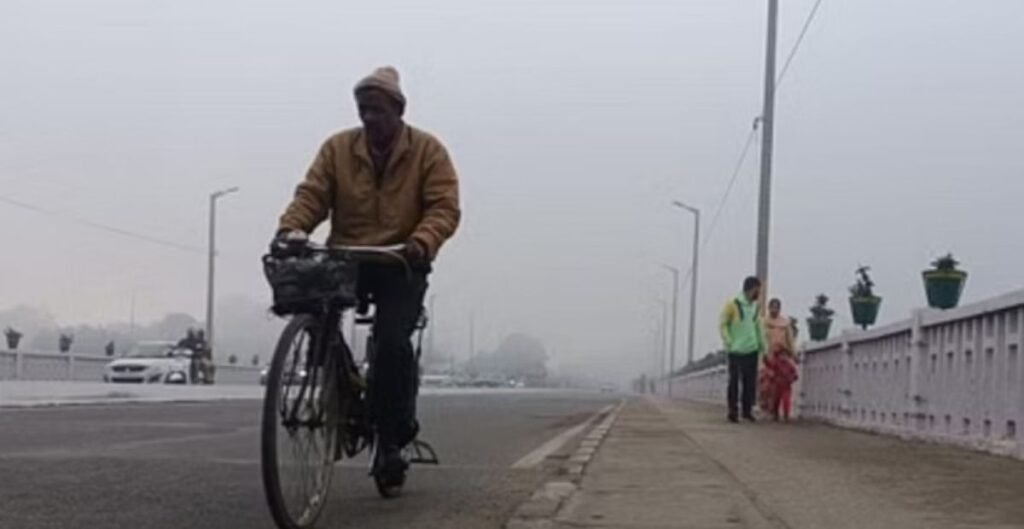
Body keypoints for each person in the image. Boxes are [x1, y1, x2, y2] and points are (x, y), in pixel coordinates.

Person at [276, 66, 460, 490]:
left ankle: (392, 437)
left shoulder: (428, 151)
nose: (369, 119)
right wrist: (291, 229)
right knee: (312, 305)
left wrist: (422, 240)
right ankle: (333, 377)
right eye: (363, 111)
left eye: (377, 110)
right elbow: (312, 196)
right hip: (348, 257)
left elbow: (444, 207)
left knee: (393, 343)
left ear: (398, 109)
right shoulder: (338, 149)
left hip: (400, 260)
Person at [719, 277, 765, 423]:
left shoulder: (755, 307)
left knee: (749, 382)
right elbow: (723, 324)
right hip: (735, 349)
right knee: (734, 381)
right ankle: (732, 410)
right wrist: (728, 341)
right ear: (750, 289)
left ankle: (747, 411)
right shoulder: (732, 304)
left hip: (752, 349)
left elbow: (758, 327)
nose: (759, 293)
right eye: (757, 290)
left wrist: (763, 345)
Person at [760, 298, 798, 421]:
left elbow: (790, 340)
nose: (774, 310)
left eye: (776, 307)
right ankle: (769, 410)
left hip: (782, 356)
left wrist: (794, 354)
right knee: (766, 386)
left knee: (781, 386)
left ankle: (780, 412)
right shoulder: (763, 323)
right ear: (768, 308)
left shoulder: (785, 324)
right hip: (767, 356)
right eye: (772, 307)